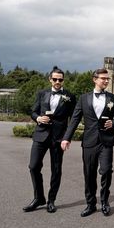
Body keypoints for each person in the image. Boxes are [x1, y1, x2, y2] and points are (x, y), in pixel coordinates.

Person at [61, 69, 114, 217]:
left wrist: (113, 123)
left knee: (106, 171)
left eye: (107, 79)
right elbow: (75, 119)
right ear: (94, 79)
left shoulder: (113, 98)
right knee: (89, 173)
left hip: (106, 141)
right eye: (103, 79)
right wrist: (66, 138)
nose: (106, 81)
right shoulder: (83, 98)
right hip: (89, 141)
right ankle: (90, 204)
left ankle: (104, 202)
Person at [23, 67, 76, 214]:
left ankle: (51, 200)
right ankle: (39, 197)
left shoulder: (70, 96)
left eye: (60, 79)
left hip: (58, 138)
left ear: (63, 80)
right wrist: (38, 118)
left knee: (56, 170)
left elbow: (73, 119)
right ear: (50, 79)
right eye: (55, 79)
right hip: (41, 135)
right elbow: (33, 111)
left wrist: (67, 137)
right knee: (33, 166)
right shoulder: (42, 93)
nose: (57, 82)